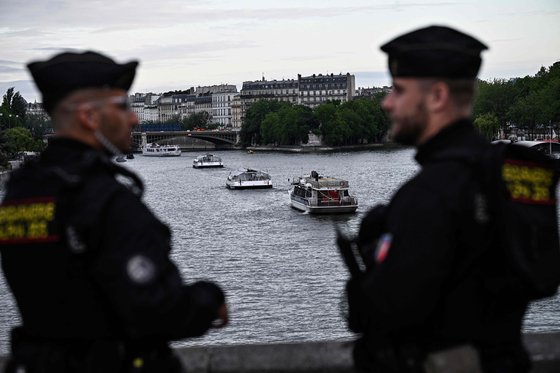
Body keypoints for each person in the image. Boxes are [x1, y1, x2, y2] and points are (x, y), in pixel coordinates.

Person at [0, 51, 228, 372]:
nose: (134, 118)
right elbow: (156, 310)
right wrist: (209, 299)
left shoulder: (20, 193)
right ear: (90, 117)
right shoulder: (102, 198)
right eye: (122, 107)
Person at [345, 26, 531, 372]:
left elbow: (378, 315)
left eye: (398, 90)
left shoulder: (429, 194)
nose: (387, 102)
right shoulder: (506, 173)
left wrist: (374, 255)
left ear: (437, 97)